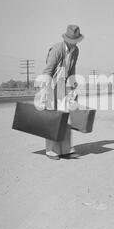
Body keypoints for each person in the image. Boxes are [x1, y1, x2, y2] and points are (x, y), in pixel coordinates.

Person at [34, 24, 84, 160]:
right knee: (53, 119)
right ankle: (51, 150)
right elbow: (48, 70)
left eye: (76, 41)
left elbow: (72, 69)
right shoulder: (57, 49)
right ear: (66, 38)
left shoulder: (76, 50)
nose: (73, 43)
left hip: (65, 86)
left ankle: (65, 149)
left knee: (65, 119)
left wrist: (73, 86)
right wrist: (43, 92)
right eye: (71, 40)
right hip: (52, 86)